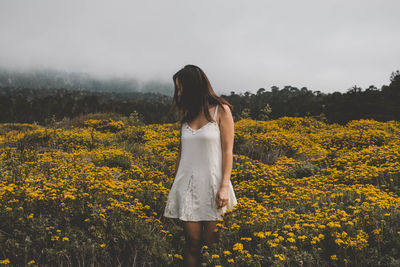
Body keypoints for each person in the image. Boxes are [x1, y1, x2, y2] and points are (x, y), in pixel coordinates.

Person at [163, 64, 238, 267]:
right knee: (192, 243)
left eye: (180, 87)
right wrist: (176, 187)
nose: (178, 92)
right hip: (188, 188)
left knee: (213, 244)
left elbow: (227, 151)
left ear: (193, 86)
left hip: (215, 186)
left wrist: (224, 186)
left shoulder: (221, 110)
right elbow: (181, 153)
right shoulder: (187, 115)